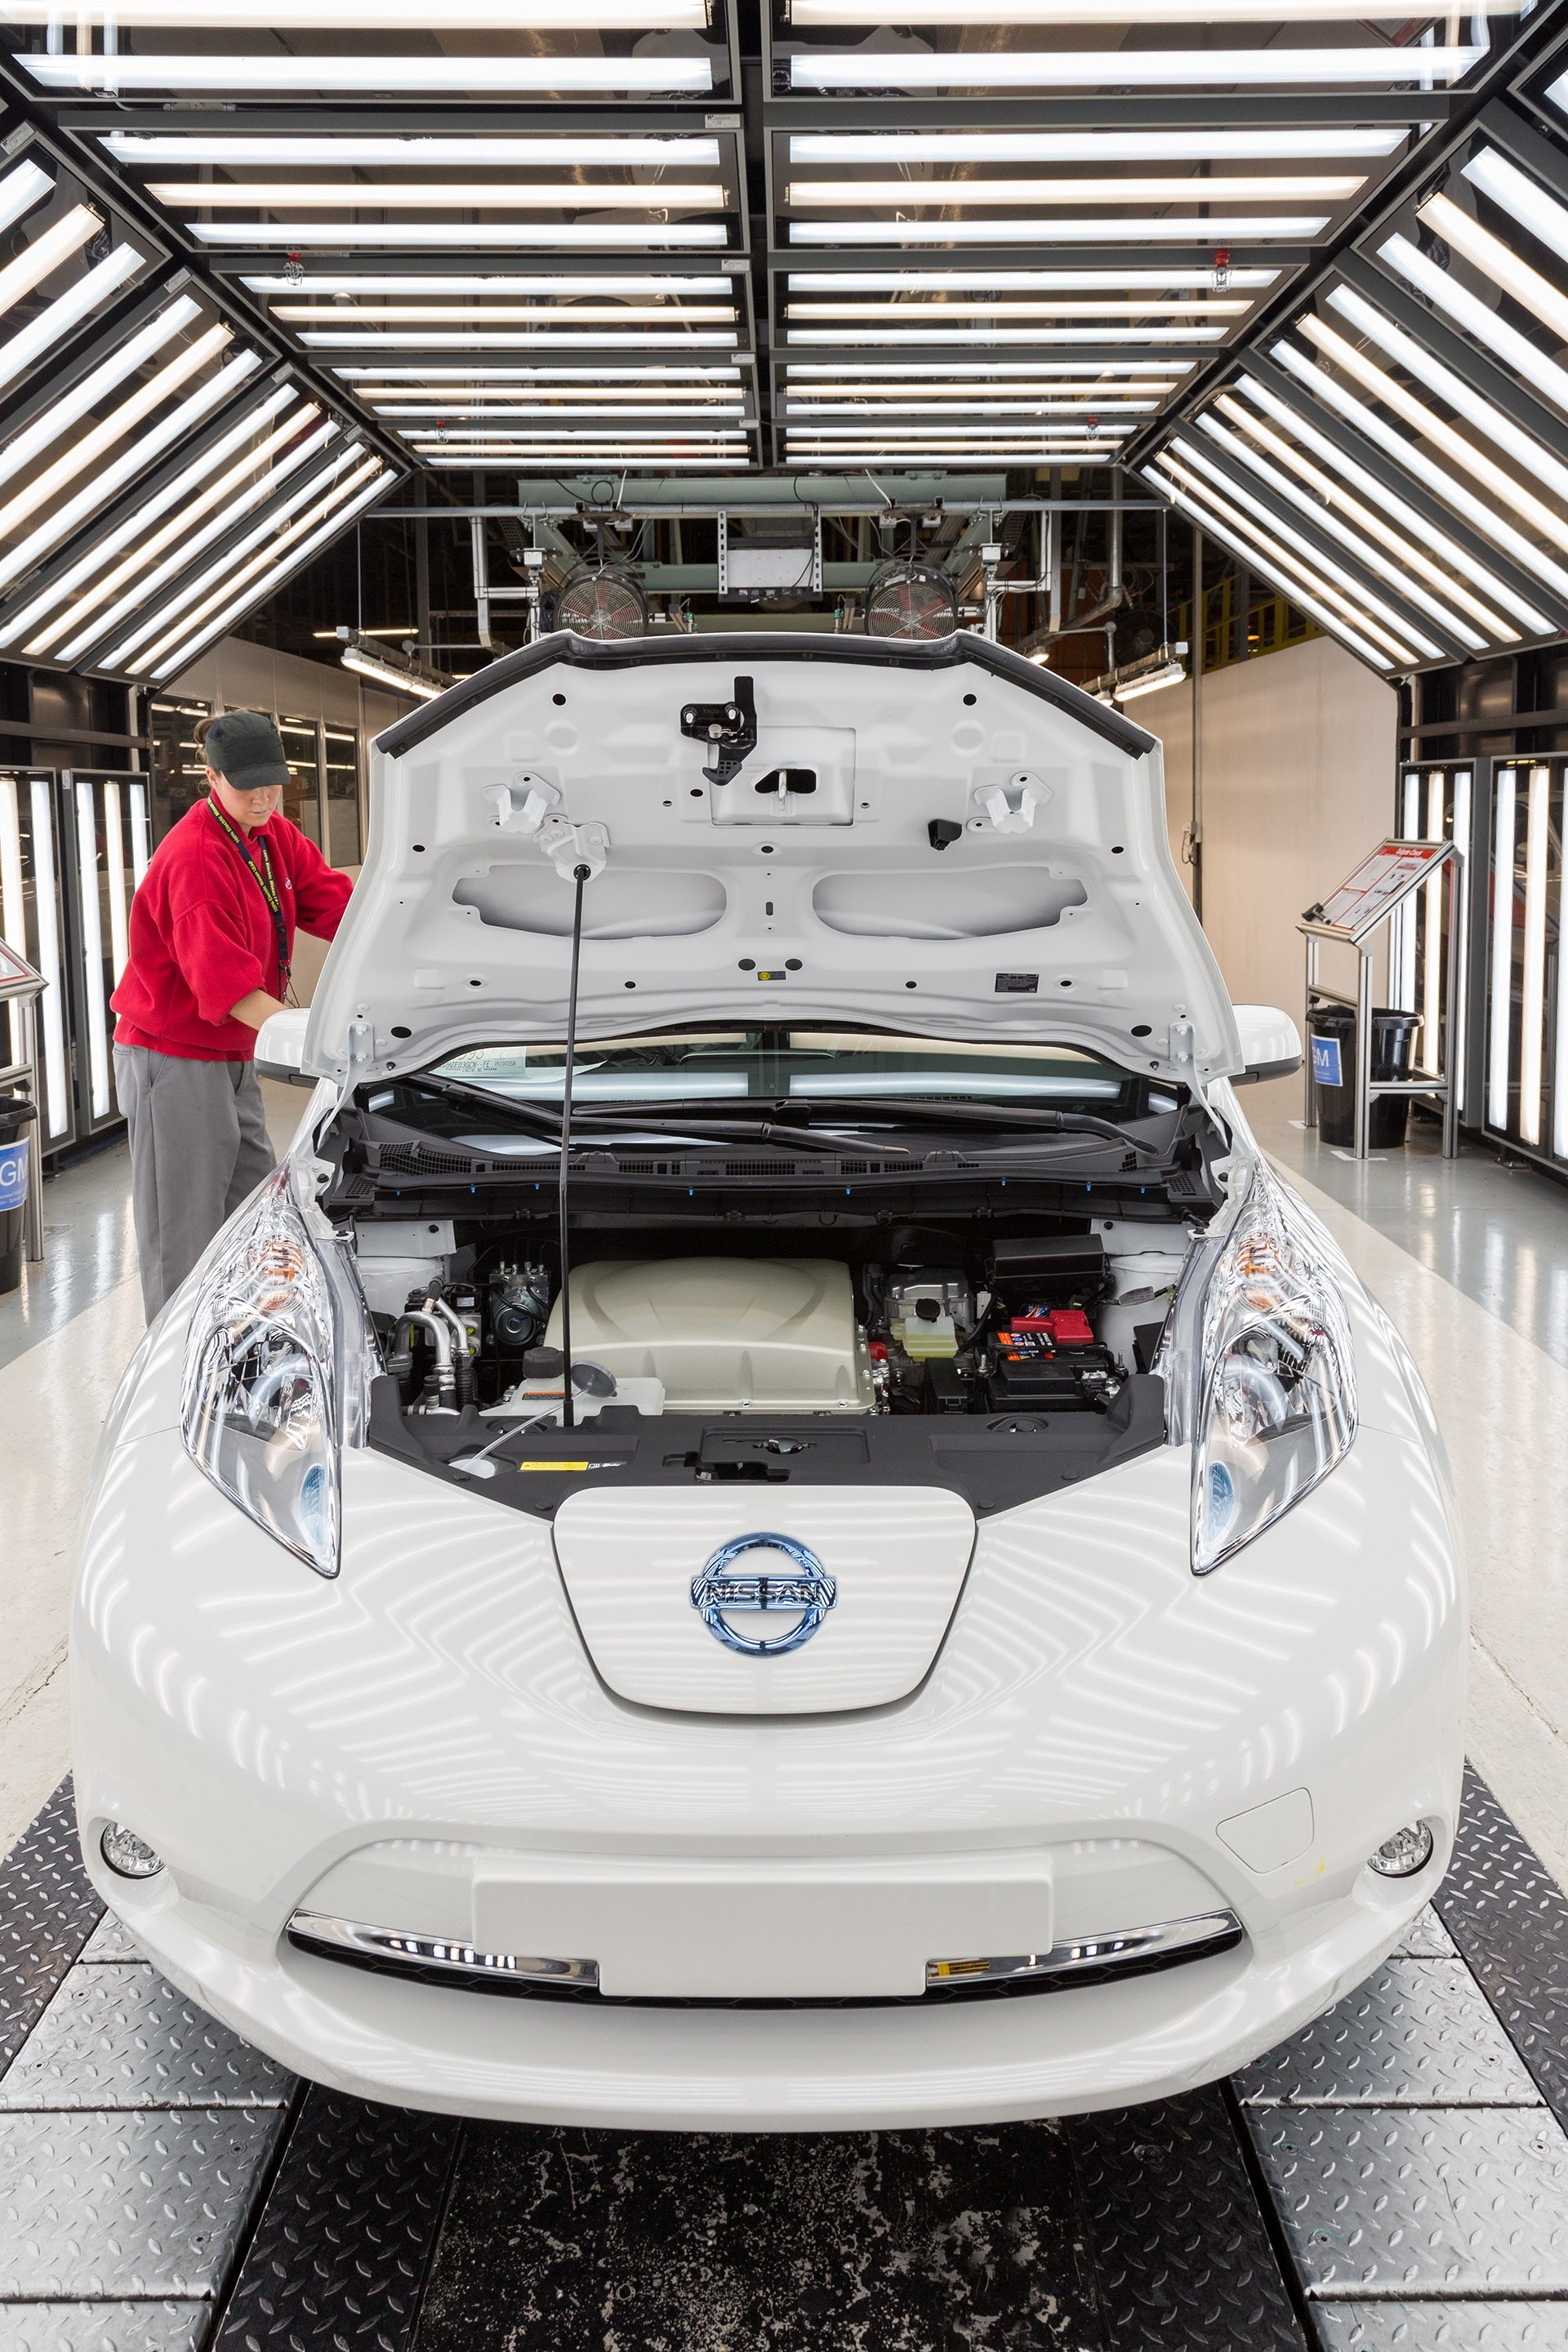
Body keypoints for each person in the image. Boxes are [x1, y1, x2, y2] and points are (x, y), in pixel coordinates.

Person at [111, 710, 354, 1321]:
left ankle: (243, 1336)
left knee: (255, 1205)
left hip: (233, 1052)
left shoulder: (271, 834)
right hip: (173, 1060)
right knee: (184, 1228)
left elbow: (334, 904)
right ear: (213, 777)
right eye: (249, 783)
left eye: (273, 781)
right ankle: (173, 1377)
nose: (265, 795)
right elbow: (226, 985)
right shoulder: (195, 858)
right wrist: (313, 1044)